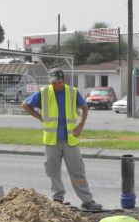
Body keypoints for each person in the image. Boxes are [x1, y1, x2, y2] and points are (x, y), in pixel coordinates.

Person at [21, 68, 102, 210]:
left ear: (63, 80)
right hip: (52, 140)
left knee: (77, 170)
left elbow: (84, 107)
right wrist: (41, 118)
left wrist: (80, 126)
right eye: (53, 83)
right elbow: (25, 105)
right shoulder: (44, 92)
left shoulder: (72, 92)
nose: (56, 86)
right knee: (53, 171)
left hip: (70, 139)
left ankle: (87, 200)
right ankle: (58, 199)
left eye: (58, 83)